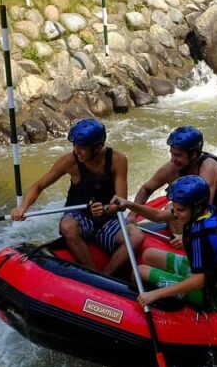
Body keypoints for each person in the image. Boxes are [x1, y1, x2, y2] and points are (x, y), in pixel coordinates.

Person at [11, 118, 140, 276]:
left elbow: (121, 202)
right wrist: (23, 207)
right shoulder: (69, 161)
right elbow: (38, 186)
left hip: (107, 219)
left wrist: (107, 209)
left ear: (98, 146)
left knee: (136, 236)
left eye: (83, 148)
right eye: (75, 145)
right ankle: (93, 275)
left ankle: (106, 276)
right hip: (80, 217)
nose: (76, 151)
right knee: (68, 226)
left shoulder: (117, 160)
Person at [114, 176, 217, 311]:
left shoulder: (201, 232)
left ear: (196, 207)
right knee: (149, 254)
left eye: (180, 210)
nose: (176, 213)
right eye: (174, 208)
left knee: (139, 271)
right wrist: (129, 204)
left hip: (211, 294)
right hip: (206, 273)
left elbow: (199, 281)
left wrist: (154, 294)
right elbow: (157, 215)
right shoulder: (207, 211)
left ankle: (151, 305)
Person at [132, 126, 217, 214]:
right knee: (171, 209)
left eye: (178, 155)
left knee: (172, 209)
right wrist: (132, 215)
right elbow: (146, 189)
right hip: (188, 214)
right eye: (172, 154)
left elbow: (205, 209)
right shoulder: (172, 167)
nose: (173, 159)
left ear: (193, 154)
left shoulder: (208, 167)